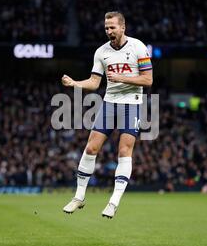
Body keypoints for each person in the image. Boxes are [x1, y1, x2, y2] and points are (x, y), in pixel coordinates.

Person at [61, 11, 153, 218]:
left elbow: (148, 80)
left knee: (124, 151)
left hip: (132, 104)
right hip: (109, 103)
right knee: (91, 147)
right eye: (106, 28)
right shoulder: (101, 52)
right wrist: (75, 83)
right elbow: (94, 83)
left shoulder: (138, 47)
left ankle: (113, 201)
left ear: (123, 27)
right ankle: (79, 196)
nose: (109, 31)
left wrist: (121, 78)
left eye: (112, 27)